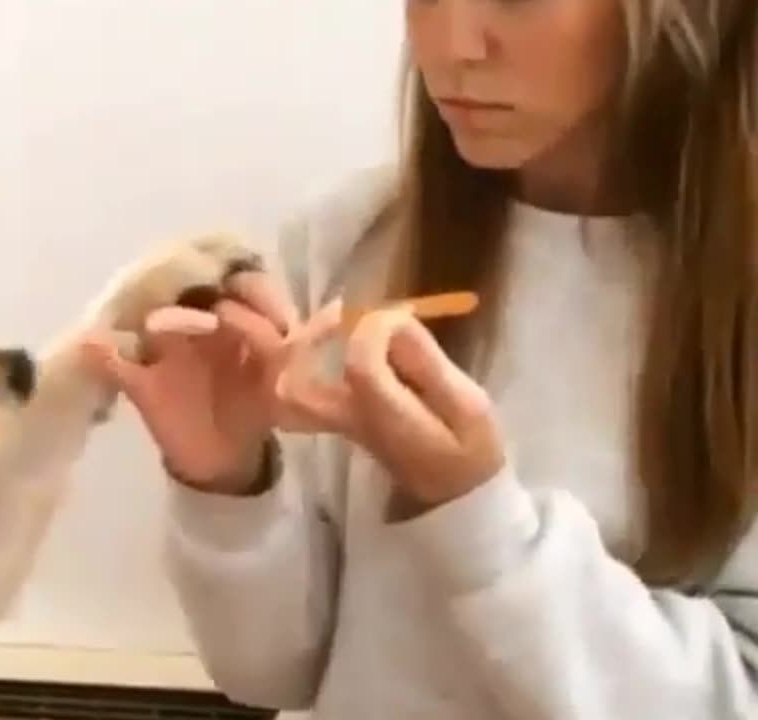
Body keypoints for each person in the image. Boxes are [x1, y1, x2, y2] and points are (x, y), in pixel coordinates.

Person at [85, 0, 757, 717]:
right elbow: (275, 673)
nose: (450, 46)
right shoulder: (350, 238)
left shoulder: (728, 297)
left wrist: (478, 519)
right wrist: (229, 484)